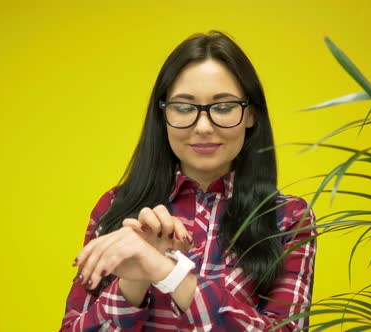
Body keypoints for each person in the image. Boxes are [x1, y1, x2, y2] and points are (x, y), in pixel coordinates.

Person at [60, 31, 317, 332]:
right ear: (163, 113)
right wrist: (133, 279)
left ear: (251, 115)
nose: (204, 126)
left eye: (223, 107)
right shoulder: (116, 207)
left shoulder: (289, 219)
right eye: (184, 108)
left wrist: (167, 270)